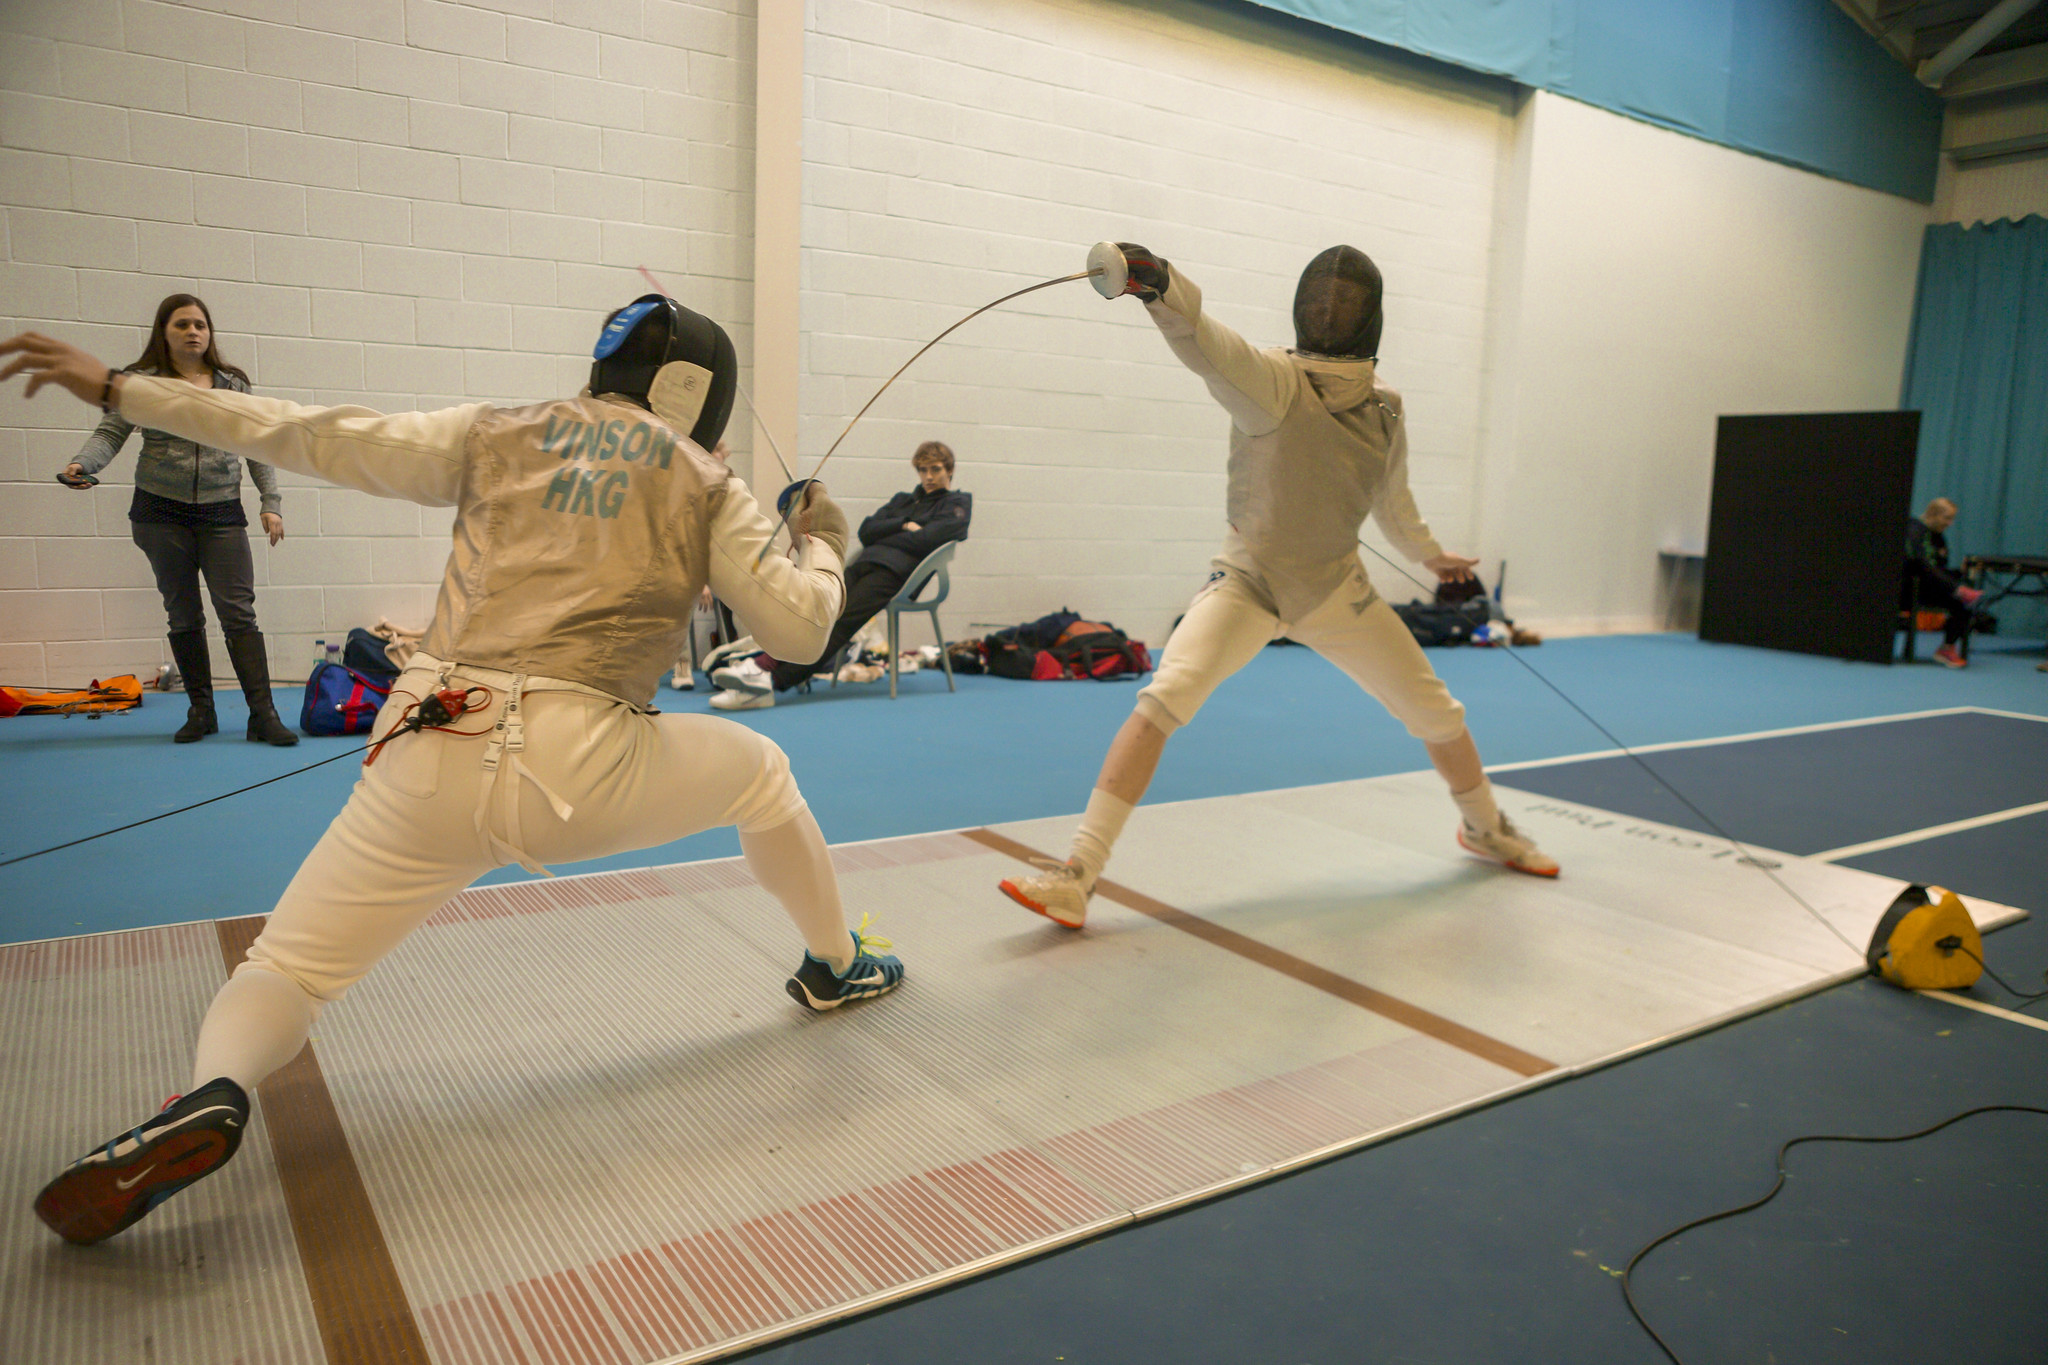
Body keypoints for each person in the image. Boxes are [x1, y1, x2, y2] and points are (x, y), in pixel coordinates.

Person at [3, 293, 905, 1248]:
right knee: (761, 769)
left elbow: (306, 432)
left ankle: (216, 1088)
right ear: (695, 393)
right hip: (579, 764)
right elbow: (800, 631)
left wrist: (121, 389)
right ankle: (835, 966)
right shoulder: (703, 481)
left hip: (425, 738)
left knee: (290, 967)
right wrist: (821, 543)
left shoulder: (497, 433)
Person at [999, 243, 1557, 930]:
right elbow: (1204, 340)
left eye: (1343, 303)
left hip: (1335, 589)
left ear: (1369, 316)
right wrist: (1159, 284)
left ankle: (1484, 828)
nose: (1330, 311)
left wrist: (1433, 556)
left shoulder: (1386, 408)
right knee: (1164, 695)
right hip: (1249, 581)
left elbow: (1393, 501)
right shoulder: (1273, 381)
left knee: (1438, 712)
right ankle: (1077, 874)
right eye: (1322, 300)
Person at [60, 294, 297, 745]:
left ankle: (262, 715)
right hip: (159, 512)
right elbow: (111, 432)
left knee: (238, 613)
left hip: (221, 511)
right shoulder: (142, 384)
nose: (193, 332)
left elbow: (258, 443)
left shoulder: (233, 386)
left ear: (210, 334)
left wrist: (271, 501)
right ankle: (201, 710)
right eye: (182, 324)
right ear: (163, 333)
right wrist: (82, 464)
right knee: (183, 615)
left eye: (200, 325)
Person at [709, 440, 971, 708]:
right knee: (818, 607)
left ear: (949, 470)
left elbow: (927, 540)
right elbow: (868, 530)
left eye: (935, 469)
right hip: (864, 563)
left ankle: (770, 682)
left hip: (897, 575)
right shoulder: (904, 501)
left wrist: (893, 533)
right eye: (923, 469)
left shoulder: (957, 503)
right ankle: (762, 668)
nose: (928, 476)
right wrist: (905, 525)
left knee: (840, 621)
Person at [1902, 498, 1981, 669]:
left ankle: (1947, 649)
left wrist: (1960, 572)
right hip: (1908, 589)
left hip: (1930, 589)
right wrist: (1956, 588)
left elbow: (1939, 570)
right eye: (1947, 518)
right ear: (1934, 514)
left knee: (1964, 605)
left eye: (1952, 519)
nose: (1950, 523)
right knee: (1960, 598)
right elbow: (1922, 566)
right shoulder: (1914, 530)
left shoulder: (1939, 538)